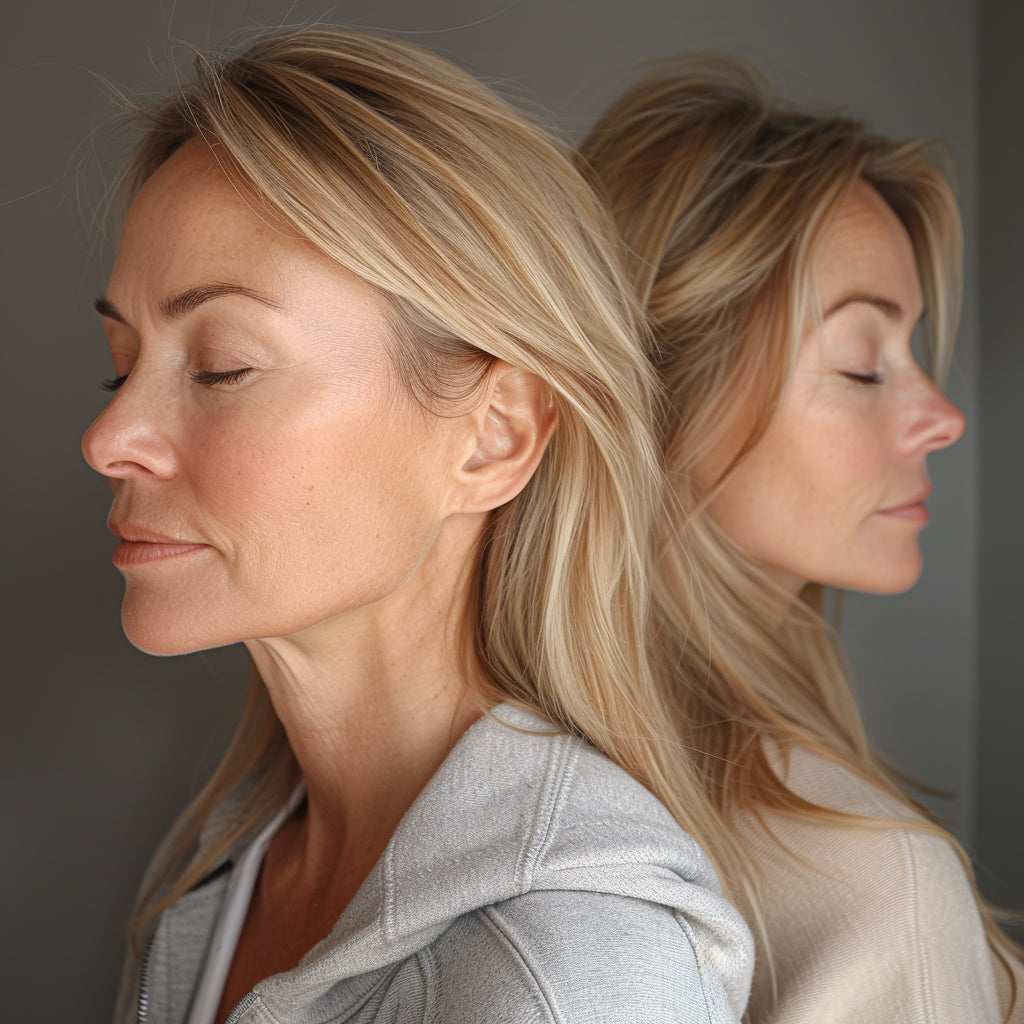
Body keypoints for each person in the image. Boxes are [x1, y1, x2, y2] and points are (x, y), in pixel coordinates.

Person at [82, 27, 754, 1024]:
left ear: (493, 436)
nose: (108, 439)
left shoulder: (577, 971)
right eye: (120, 365)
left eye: (221, 367)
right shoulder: (215, 874)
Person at [578, 54, 1023, 1024]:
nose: (944, 417)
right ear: (662, 396)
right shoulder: (879, 886)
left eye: (913, 352)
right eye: (862, 364)